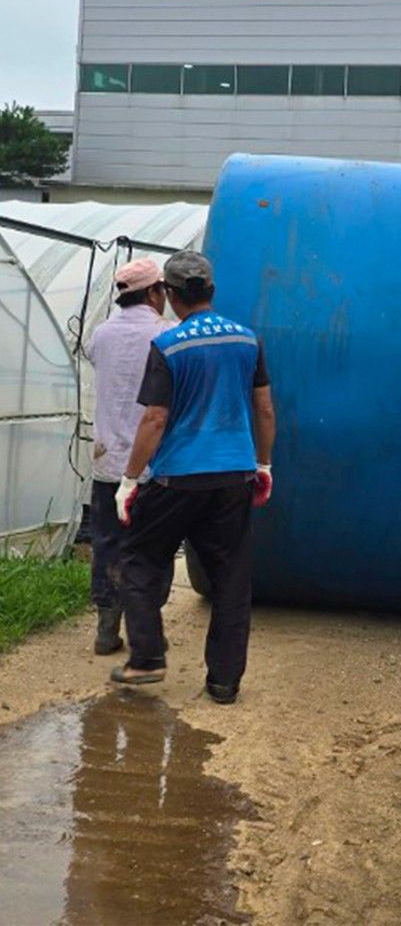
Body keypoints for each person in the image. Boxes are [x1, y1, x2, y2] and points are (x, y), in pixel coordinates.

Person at [110, 251, 276, 704]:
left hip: (176, 480)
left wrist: (129, 480)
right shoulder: (247, 340)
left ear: (170, 295)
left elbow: (155, 419)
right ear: (212, 292)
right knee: (231, 580)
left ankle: (146, 659)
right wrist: (262, 465)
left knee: (141, 562)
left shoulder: (169, 346)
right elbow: (263, 407)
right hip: (233, 478)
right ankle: (224, 683)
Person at [83, 259, 170, 655]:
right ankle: (147, 632)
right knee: (152, 547)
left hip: (107, 464)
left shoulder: (101, 334)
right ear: (154, 293)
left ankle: (106, 628)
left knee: (108, 543)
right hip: (152, 467)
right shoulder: (166, 334)